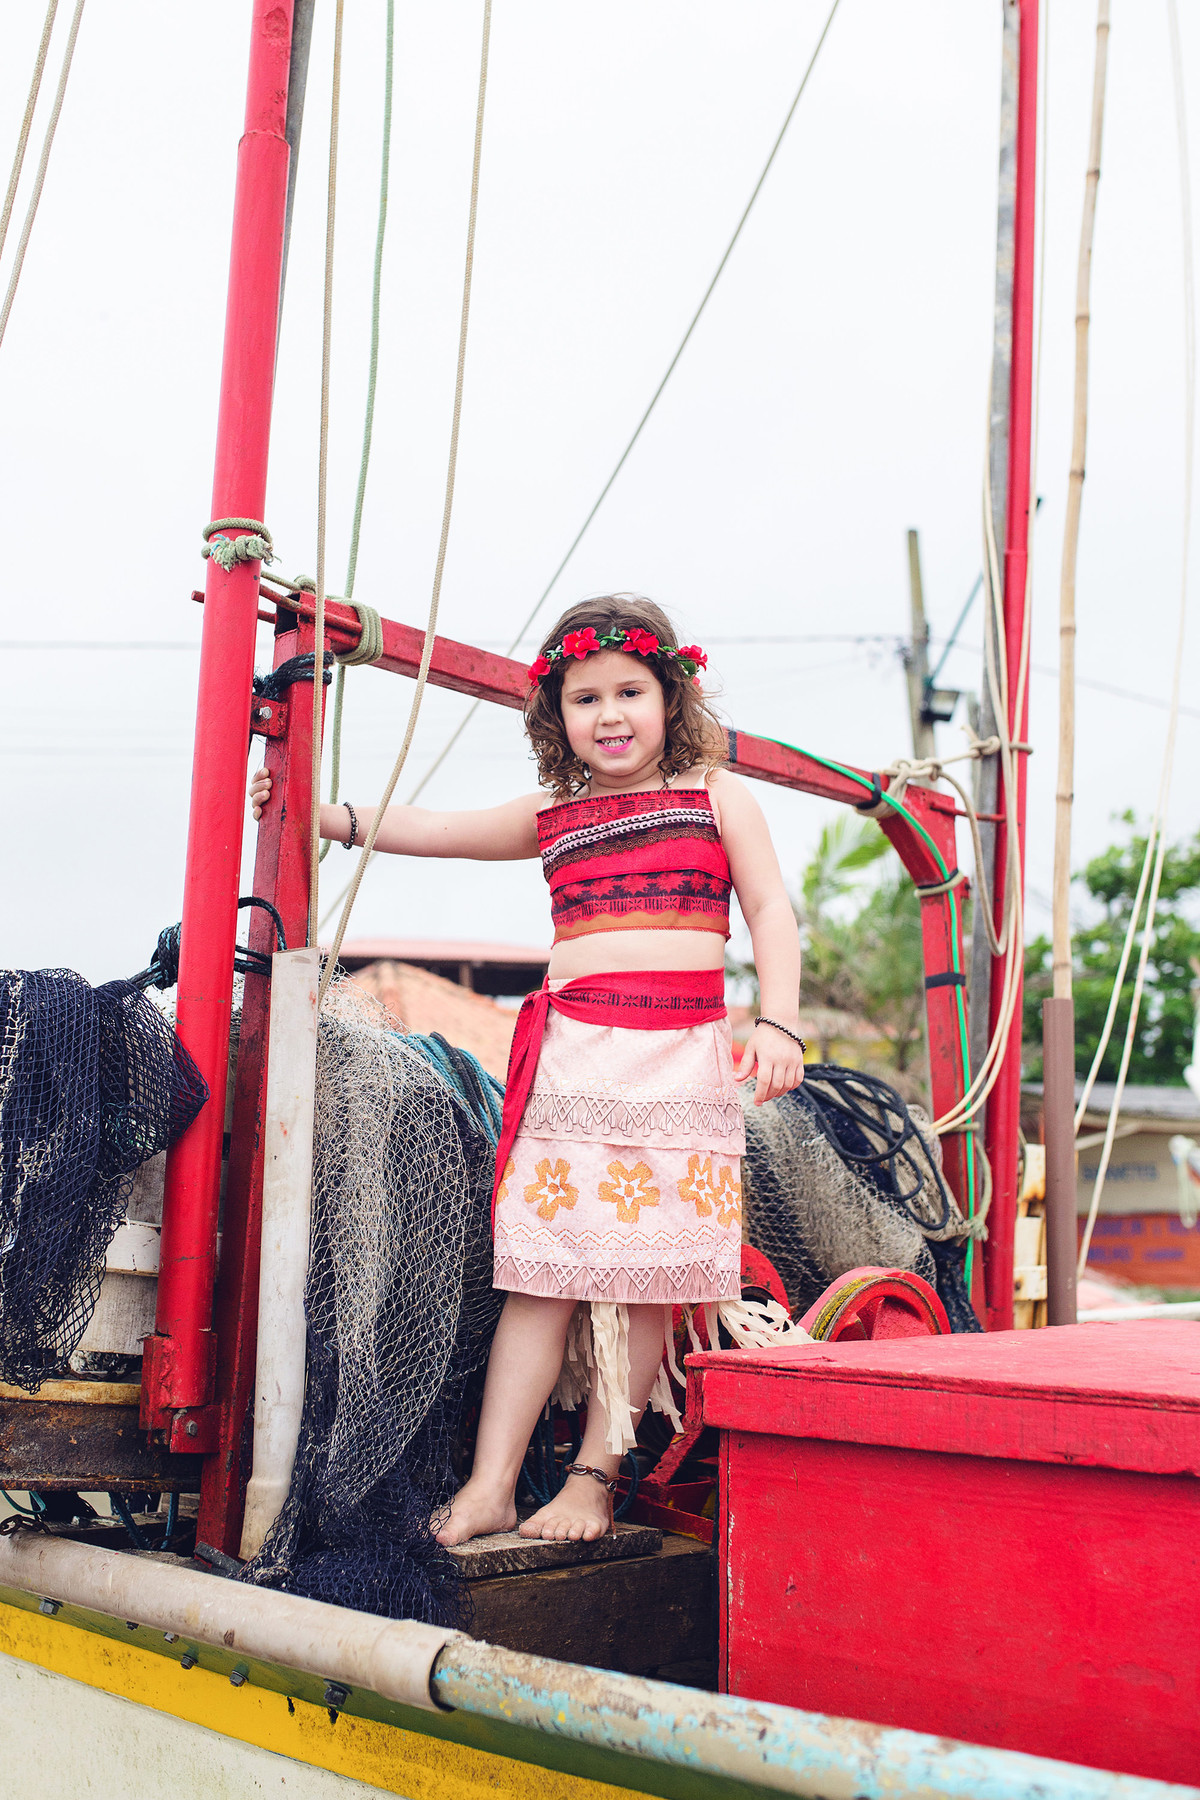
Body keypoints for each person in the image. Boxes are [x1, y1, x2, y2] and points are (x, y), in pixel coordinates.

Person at [249, 596, 805, 1546]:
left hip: (681, 1069)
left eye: (630, 692)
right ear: (557, 714)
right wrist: (317, 812)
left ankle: (591, 1483)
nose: (610, 714)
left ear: (671, 697)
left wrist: (781, 1022)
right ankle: (492, 1485)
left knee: (646, 1283)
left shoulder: (718, 795)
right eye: (585, 699)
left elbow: (770, 911)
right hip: (572, 1063)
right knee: (540, 1277)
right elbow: (434, 827)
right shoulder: (554, 814)